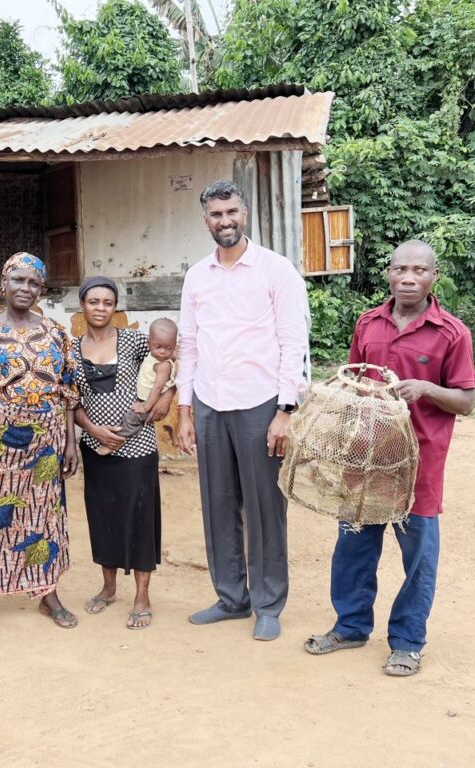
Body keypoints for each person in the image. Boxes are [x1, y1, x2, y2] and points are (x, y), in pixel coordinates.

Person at [304, 240, 475, 676]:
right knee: (353, 547)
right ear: (388, 274)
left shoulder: (451, 333)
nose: (408, 278)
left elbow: (466, 400)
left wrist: (427, 389)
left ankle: (406, 641)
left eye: (419, 270)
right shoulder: (368, 324)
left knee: (417, 555)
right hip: (365, 459)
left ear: (433, 277)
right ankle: (351, 626)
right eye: (400, 269)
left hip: (419, 464)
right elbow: (354, 382)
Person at [177, 180, 309, 641]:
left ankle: (268, 603)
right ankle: (232, 598)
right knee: (217, 505)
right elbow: (189, 344)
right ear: (205, 220)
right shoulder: (197, 276)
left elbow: (294, 342)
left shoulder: (275, 270)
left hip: (260, 405)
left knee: (264, 507)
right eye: (216, 215)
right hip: (211, 402)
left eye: (231, 212)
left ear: (245, 213)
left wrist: (285, 410)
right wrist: (185, 408)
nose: (224, 221)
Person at [0, 252, 80, 638]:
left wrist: (71, 442)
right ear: (4, 284)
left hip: (47, 441)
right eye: (18, 281)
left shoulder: (57, 332)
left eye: (33, 283)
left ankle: (48, 592)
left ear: (40, 288)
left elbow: (69, 391)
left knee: (45, 516)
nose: (25, 289)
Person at [74, 276, 174, 629]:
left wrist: (166, 396)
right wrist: (92, 429)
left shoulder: (133, 340)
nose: (100, 308)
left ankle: (142, 595)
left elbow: (167, 364)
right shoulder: (72, 351)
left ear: (115, 307)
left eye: (107, 302)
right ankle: (108, 587)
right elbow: (70, 401)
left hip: (139, 446)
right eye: (93, 302)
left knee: (141, 517)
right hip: (96, 449)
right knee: (103, 517)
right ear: (82, 305)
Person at [95, 317, 178, 456]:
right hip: (147, 398)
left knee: (131, 418)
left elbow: (157, 388)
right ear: (149, 343)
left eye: (168, 348)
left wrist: (145, 406)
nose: (163, 352)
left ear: (174, 346)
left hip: (152, 400)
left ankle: (117, 441)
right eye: (158, 347)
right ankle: (135, 429)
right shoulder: (153, 357)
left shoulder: (163, 365)